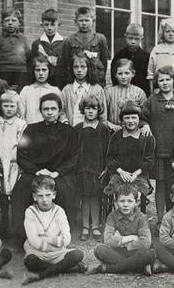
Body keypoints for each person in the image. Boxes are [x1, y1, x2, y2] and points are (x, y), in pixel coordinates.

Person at [12, 93, 79, 247]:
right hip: (35, 172)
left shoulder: (69, 131)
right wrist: (37, 172)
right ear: (40, 111)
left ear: (60, 110)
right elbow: (21, 155)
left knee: (66, 191)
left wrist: (56, 173)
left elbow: (74, 157)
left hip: (59, 173)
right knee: (21, 191)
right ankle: (25, 235)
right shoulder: (31, 130)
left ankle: (60, 235)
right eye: (46, 109)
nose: (49, 112)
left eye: (53, 108)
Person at [141, 65, 174, 235]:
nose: (165, 83)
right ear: (157, 82)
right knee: (160, 185)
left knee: (173, 187)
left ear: (173, 81)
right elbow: (143, 117)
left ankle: (172, 221)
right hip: (159, 150)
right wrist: (145, 126)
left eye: (168, 79)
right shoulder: (152, 100)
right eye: (161, 80)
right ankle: (160, 220)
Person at [21, 176, 87, 285]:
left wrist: (46, 239)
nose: (44, 200)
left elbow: (66, 239)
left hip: (58, 252)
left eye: (48, 195)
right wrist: (54, 243)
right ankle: (70, 269)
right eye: (40, 196)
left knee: (77, 254)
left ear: (54, 195)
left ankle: (40, 275)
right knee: (30, 261)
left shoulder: (59, 211)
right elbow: (33, 240)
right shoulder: (30, 212)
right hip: (38, 252)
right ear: (34, 197)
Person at [91, 183, 156, 275]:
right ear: (115, 202)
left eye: (130, 201)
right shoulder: (112, 216)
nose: (125, 205)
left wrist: (122, 243)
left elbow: (145, 242)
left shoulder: (141, 217)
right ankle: (138, 267)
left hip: (134, 251)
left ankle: (111, 268)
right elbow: (108, 240)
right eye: (122, 201)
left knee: (149, 254)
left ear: (137, 202)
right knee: (99, 249)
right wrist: (131, 238)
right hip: (118, 251)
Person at [0, 91, 27, 236]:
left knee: (14, 194)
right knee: (2, 194)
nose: (9, 109)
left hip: (14, 163)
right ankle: (4, 222)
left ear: (17, 107)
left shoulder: (21, 123)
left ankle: (15, 223)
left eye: (12, 105)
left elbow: (23, 145)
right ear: (1, 106)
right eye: (6, 105)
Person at [74, 95, 110, 241]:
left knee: (95, 197)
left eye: (93, 108)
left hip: (97, 168)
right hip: (81, 168)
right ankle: (85, 226)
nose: (90, 111)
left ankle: (95, 225)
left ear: (98, 110)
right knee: (84, 197)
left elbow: (108, 151)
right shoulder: (77, 129)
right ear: (83, 109)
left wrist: (106, 168)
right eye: (87, 108)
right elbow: (73, 150)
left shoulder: (103, 129)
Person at [104, 102, 155, 200]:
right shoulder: (116, 136)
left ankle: (136, 213)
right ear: (122, 119)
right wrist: (121, 172)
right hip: (118, 174)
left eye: (133, 117)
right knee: (118, 194)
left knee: (136, 196)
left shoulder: (147, 137)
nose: (130, 121)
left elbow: (149, 161)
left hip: (139, 175)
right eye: (127, 118)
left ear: (139, 119)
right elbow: (109, 158)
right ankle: (118, 213)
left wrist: (135, 174)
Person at [63, 6, 109, 88]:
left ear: (93, 21)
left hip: (96, 80)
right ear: (75, 21)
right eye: (81, 20)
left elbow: (104, 61)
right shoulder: (70, 39)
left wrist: (100, 77)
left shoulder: (100, 38)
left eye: (87, 20)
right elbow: (67, 62)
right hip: (77, 80)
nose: (84, 23)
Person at [0, 7, 31, 91]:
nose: (10, 23)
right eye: (7, 20)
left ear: (19, 22)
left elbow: (29, 58)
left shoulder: (24, 39)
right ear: (2, 23)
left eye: (13, 20)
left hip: (21, 73)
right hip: (3, 72)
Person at [61, 51, 107, 126]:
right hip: (71, 132)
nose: (79, 70)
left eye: (83, 66)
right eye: (76, 67)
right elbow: (61, 111)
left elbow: (103, 116)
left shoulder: (97, 89)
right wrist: (65, 123)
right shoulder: (67, 90)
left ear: (89, 68)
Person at [20, 55, 64, 125]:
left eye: (44, 70)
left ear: (49, 71)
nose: (41, 73)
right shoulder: (26, 90)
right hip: (31, 130)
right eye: (37, 70)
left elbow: (61, 114)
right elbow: (21, 115)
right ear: (33, 71)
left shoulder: (55, 90)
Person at [106, 59, 147, 132]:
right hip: (113, 131)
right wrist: (110, 125)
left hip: (134, 132)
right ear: (115, 74)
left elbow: (144, 116)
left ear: (133, 73)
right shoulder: (109, 92)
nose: (123, 77)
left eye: (127, 73)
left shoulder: (139, 92)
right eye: (120, 73)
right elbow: (102, 115)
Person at [30, 9, 68, 90]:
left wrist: (57, 62)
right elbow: (32, 65)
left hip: (60, 82)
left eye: (52, 25)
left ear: (59, 24)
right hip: (42, 83)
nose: (49, 28)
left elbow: (67, 63)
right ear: (42, 25)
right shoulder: (37, 43)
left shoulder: (64, 43)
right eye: (46, 25)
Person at [110, 23, 150, 96]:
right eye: (130, 38)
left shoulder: (146, 57)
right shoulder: (119, 55)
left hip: (140, 94)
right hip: (120, 93)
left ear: (142, 39)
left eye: (136, 39)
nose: (133, 42)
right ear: (125, 37)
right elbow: (114, 75)